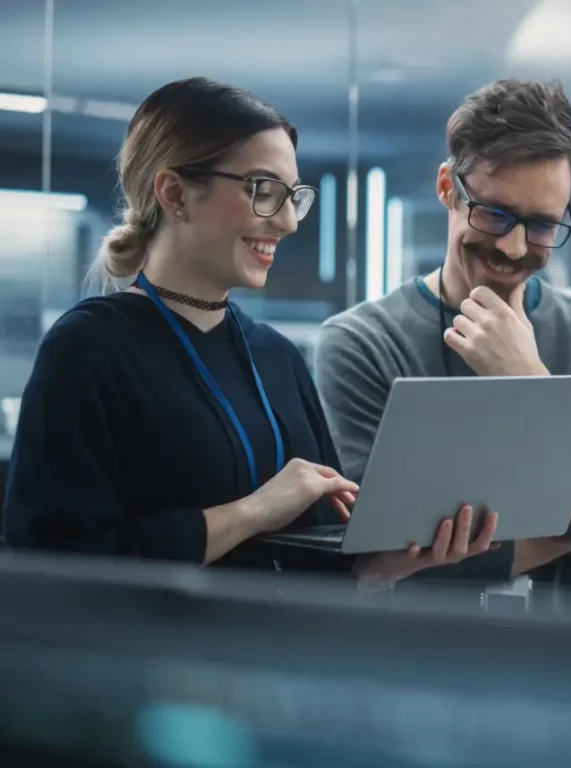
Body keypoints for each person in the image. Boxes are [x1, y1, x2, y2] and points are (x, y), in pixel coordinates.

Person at [2, 78, 498, 584]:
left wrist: (386, 564)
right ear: (175, 193)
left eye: (293, 197)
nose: (287, 222)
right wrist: (255, 511)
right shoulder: (88, 349)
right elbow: (53, 561)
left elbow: (319, 565)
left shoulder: (277, 357)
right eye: (264, 191)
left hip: (279, 658)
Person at [315, 78, 571, 587]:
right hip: (415, 653)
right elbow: (376, 548)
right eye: (494, 214)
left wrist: (531, 381)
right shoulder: (361, 341)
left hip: (558, 656)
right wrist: (567, 530)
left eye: (542, 226)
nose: (515, 248)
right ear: (448, 188)